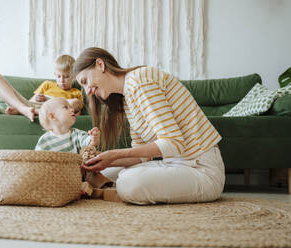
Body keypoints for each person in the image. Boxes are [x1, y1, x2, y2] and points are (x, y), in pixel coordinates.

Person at [73, 47, 225, 205]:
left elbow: (173, 142)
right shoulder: (127, 99)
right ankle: (109, 186)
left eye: (85, 81)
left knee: (128, 182)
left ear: (100, 64)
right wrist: (105, 162)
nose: (87, 91)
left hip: (202, 170)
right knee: (103, 173)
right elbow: (142, 158)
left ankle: (113, 190)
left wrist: (114, 154)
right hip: (172, 165)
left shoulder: (140, 81)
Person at [0, 55, 83, 122]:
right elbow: (30, 102)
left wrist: (48, 99)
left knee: (75, 102)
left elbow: (75, 115)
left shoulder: (76, 92)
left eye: (66, 76)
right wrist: (37, 98)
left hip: (55, 111)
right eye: (59, 76)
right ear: (55, 74)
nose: (62, 80)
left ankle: (22, 111)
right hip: (33, 106)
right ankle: (22, 109)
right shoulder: (48, 84)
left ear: (73, 76)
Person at [35, 97, 100, 153]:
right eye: (66, 107)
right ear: (52, 116)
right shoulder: (44, 141)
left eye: (71, 107)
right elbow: (38, 159)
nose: (72, 109)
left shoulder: (77, 134)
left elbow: (88, 145)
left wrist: (93, 138)